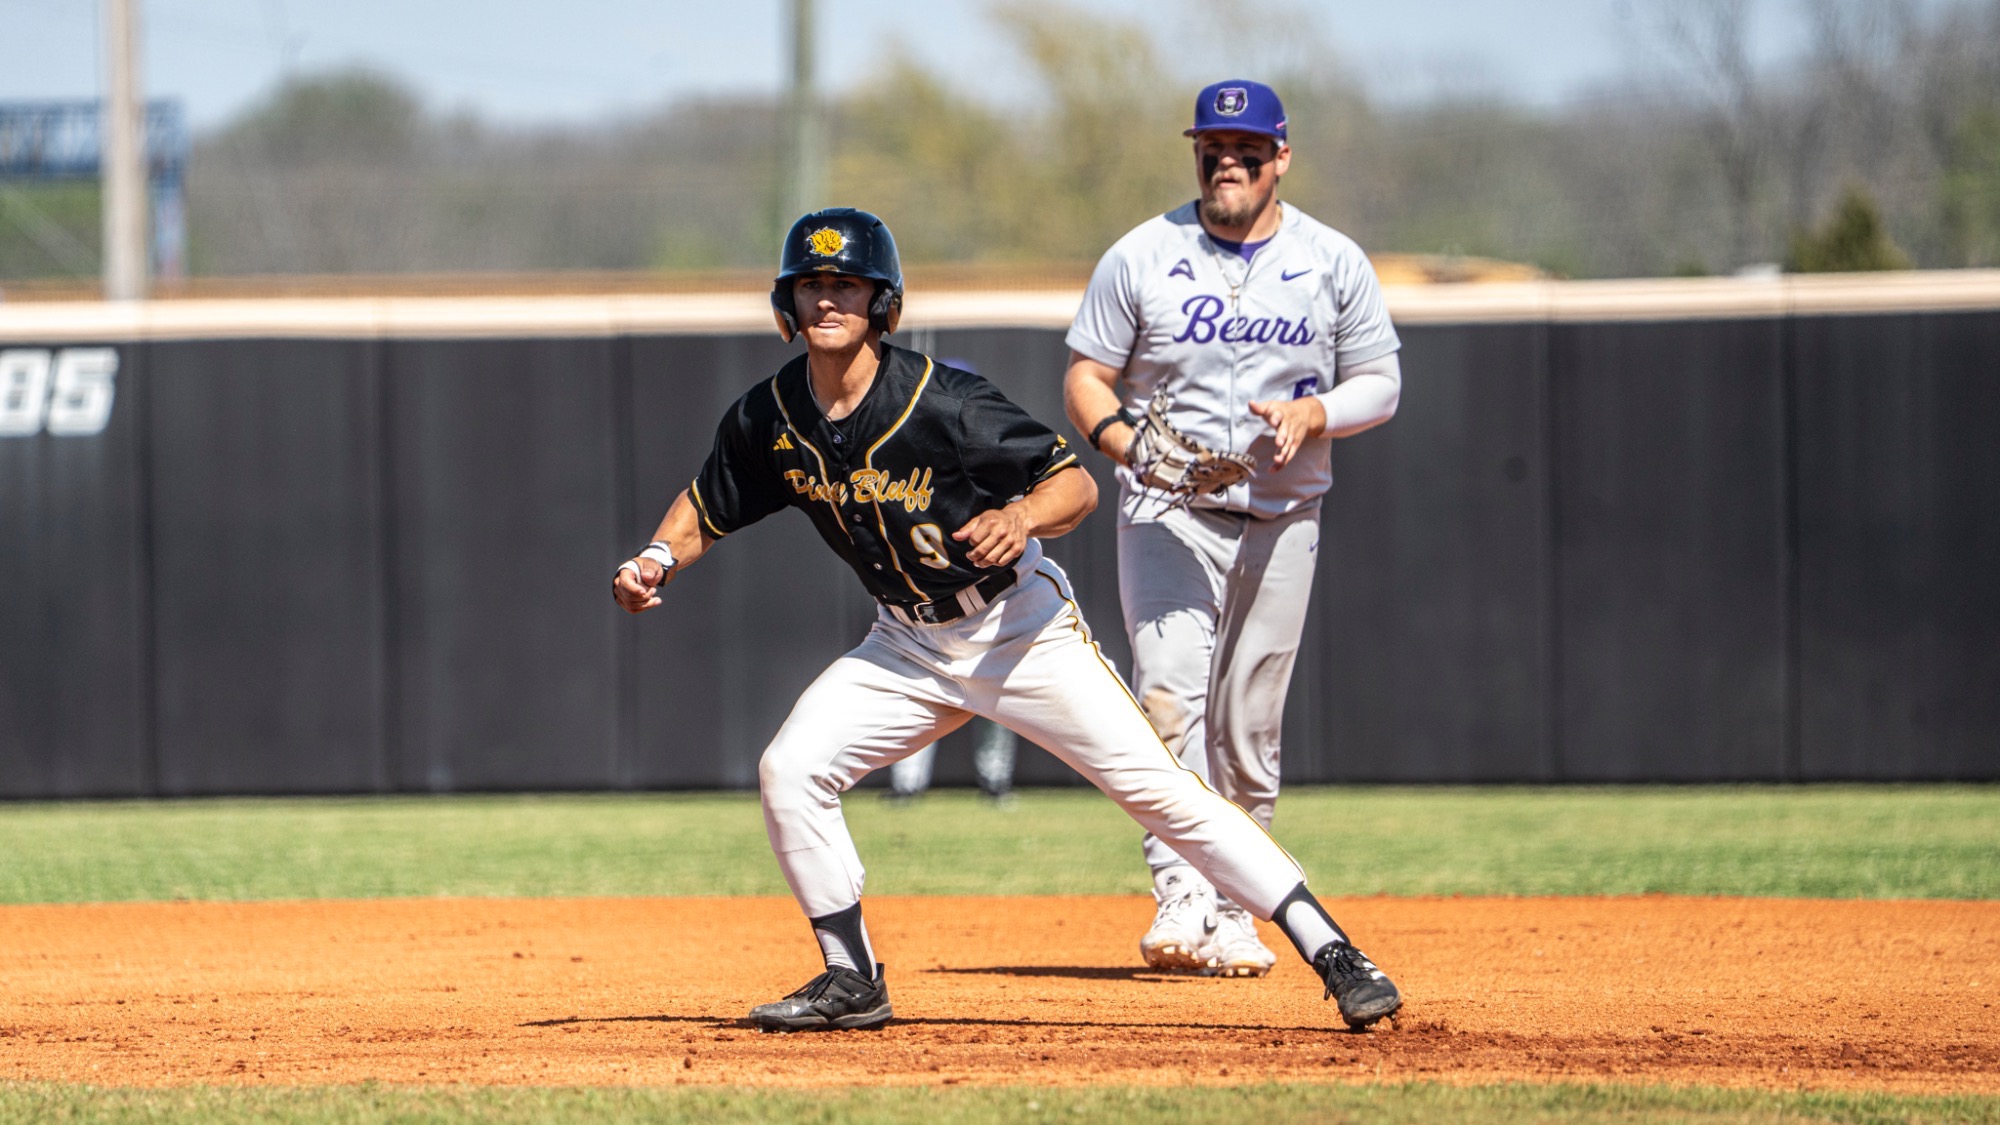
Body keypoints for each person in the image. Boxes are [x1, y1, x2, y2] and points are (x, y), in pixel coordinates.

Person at [614, 206, 1401, 1032]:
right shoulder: (769, 416)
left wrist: (1022, 516)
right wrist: (656, 560)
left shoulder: (943, 403)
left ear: (883, 301)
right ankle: (852, 976)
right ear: (787, 304)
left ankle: (1336, 951)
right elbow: (706, 505)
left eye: (846, 282)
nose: (827, 300)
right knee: (791, 769)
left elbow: (1077, 485)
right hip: (908, 640)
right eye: (810, 285)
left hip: (1018, 632)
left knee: (1161, 792)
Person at [1062, 80, 1403, 978]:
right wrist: (1123, 442)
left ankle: (1239, 908)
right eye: (1213, 145)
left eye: (1248, 147)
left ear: (1281, 156)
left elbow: (1382, 380)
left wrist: (1318, 412)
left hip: (1283, 514)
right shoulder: (1142, 253)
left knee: (1251, 726)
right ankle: (1181, 895)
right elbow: (1086, 377)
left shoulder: (1331, 259)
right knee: (1169, 698)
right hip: (1168, 512)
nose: (1228, 160)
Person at [885, 717, 1017, 803]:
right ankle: (905, 787)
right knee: (922, 716)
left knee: (994, 719)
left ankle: (996, 784)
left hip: (985, 676)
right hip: (940, 676)